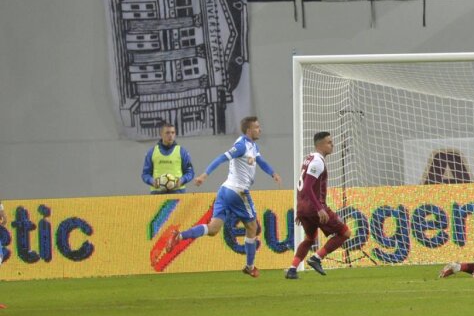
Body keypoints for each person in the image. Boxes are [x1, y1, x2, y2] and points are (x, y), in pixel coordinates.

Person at [170, 116, 283, 277]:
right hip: (238, 192)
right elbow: (221, 158)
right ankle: (250, 266)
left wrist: (273, 173)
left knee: (213, 229)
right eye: (257, 127)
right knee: (253, 227)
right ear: (249, 130)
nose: (260, 129)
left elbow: (260, 160)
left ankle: (179, 236)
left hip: (224, 191)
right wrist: (204, 175)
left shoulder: (253, 146)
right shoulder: (241, 145)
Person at [287, 132, 352, 279]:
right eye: (329, 142)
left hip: (304, 208)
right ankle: (317, 258)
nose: (332, 145)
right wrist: (319, 209)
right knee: (345, 233)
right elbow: (307, 187)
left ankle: (292, 269)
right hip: (315, 208)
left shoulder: (309, 158)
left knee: (310, 238)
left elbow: (301, 186)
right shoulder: (317, 162)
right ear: (320, 145)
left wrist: (300, 210)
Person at [140, 123, 195, 193]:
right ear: (161, 134)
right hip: (157, 194)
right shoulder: (152, 152)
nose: (170, 135)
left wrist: (182, 180)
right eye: (167, 133)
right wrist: (152, 181)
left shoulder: (182, 152)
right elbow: (145, 174)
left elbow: (190, 172)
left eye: (173, 133)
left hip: (178, 193)